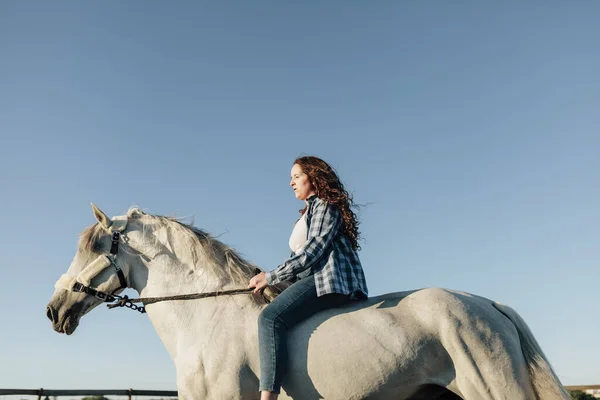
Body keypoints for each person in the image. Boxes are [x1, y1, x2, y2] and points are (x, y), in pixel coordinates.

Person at [248, 155, 368, 400]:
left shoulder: (325, 204)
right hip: (309, 277)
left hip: (328, 279)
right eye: (291, 178)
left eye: (296, 176)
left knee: (270, 319)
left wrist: (270, 277)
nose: (291, 183)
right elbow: (299, 259)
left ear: (313, 177)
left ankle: (268, 397)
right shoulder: (309, 211)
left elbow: (313, 250)